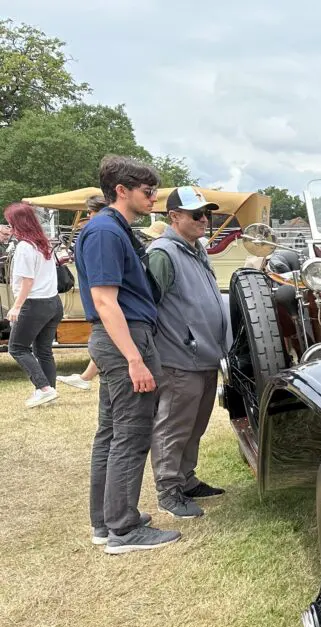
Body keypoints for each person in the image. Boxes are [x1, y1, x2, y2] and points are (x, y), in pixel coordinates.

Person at [74, 155, 180, 554]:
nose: (153, 197)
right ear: (121, 190)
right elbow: (105, 301)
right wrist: (135, 359)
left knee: (111, 432)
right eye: (147, 191)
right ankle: (123, 528)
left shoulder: (112, 228)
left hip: (120, 339)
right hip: (124, 339)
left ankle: (106, 521)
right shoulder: (105, 231)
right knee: (131, 435)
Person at [146, 187, 229, 519]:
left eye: (206, 214)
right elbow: (147, 307)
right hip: (180, 359)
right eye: (196, 214)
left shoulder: (195, 250)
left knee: (195, 425)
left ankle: (186, 479)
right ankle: (168, 489)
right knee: (173, 425)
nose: (204, 220)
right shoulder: (163, 254)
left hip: (204, 357)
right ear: (174, 217)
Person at [4, 202, 64, 408]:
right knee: (44, 350)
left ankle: (43, 388)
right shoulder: (43, 243)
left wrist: (16, 306)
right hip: (53, 302)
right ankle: (49, 390)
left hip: (35, 303)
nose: (8, 226)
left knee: (17, 348)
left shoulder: (24, 247)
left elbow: (27, 280)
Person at [58, 195, 109, 391]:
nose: (89, 216)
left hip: (102, 305)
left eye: (91, 212)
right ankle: (86, 376)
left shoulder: (98, 234)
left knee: (105, 340)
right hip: (101, 304)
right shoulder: (100, 233)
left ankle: (86, 377)